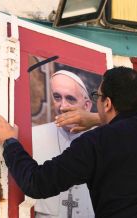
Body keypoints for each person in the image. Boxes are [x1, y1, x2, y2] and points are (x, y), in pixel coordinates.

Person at [0, 67, 137, 217]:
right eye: (57, 96)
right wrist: (100, 119)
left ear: (106, 103)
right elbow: (135, 124)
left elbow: (37, 183)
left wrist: (10, 141)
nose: (62, 105)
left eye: (97, 97)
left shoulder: (95, 144)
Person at [31, 70, 94, 217]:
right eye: (57, 97)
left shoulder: (100, 140)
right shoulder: (34, 136)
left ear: (86, 106)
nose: (62, 106)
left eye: (70, 99)